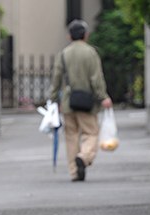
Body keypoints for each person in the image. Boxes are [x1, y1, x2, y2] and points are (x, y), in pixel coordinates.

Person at [48, 19, 113, 182]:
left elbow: (56, 78)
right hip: (87, 102)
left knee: (71, 136)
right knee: (91, 133)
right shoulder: (91, 52)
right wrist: (103, 96)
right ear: (86, 35)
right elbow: (96, 78)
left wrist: (53, 98)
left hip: (68, 102)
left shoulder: (63, 54)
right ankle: (83, 157)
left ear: (69, 36)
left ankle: (74, 171)